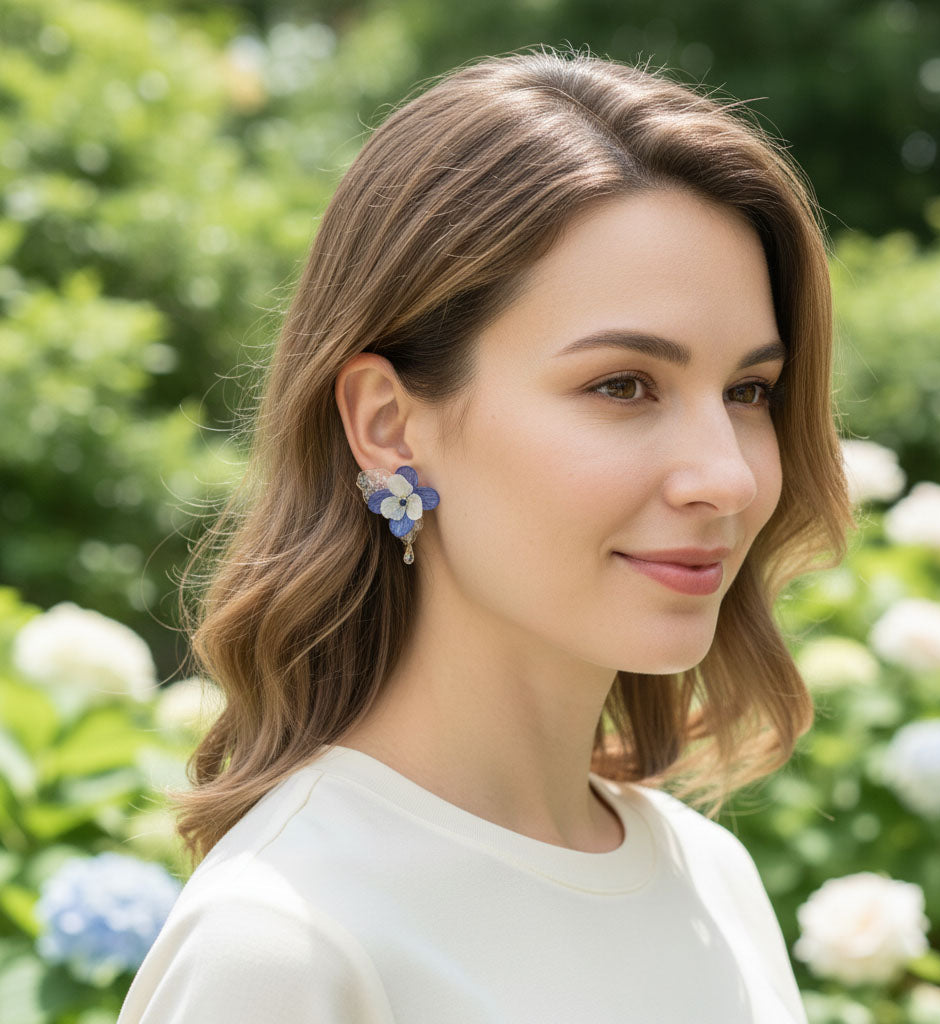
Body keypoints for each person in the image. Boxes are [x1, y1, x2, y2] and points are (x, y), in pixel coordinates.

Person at [117, 44, 855, 1024]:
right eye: (622, 384)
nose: (725, 474)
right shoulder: (285, 949)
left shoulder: (708, 878)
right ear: (388, 426)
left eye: (747, 391)